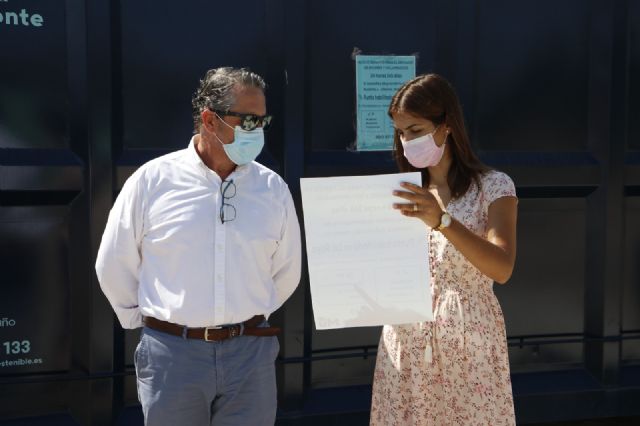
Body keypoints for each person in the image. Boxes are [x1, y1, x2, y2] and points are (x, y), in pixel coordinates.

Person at [95, 67, 302, 426]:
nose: (258, 131)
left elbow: (286, 270)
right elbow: (114, 262)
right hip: (173, 356)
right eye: (248, 121)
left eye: (263, 121)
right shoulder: (152, 181)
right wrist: (153, 323)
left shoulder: (272, 188)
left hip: (250, 355)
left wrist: (247, 318)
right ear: (209, 120)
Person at [370, 74, 518, 425]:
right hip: (406, 340)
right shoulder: (400, 192)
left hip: (469, 342)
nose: (407, 141)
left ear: (446, 125)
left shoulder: (493, 186)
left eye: (415, 129)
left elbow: (502, 267)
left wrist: (443, 221)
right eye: (401, 132)